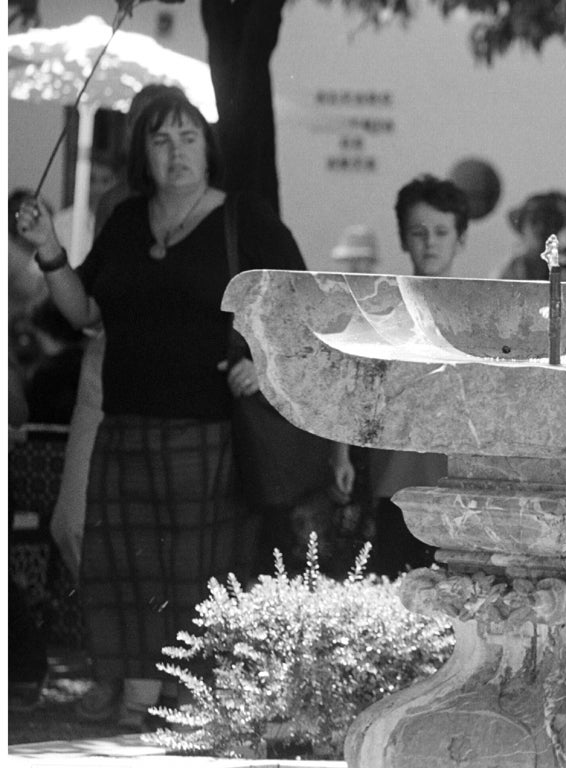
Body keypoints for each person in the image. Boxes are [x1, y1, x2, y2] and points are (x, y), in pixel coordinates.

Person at [12, 90, 352, 729]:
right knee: (120, 566)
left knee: (192, 569)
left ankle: (169, 694)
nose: (177, 152)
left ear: (208, 145)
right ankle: (132, 690)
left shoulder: (243, 219)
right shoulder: (125, 220)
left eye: (188, 136)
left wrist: (264, 362)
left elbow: (303, 307)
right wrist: (49, 247)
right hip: (125, 423)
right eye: (161, 140)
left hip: (208, 431)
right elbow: (84, 311)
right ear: (143, 152)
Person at [52, 83, 182, 587]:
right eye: (146, 129)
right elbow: (92, 299)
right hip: (107, 358)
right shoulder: (117, 201)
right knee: (75, 523)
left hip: (159, 371)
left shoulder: (201, 205)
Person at [363, 174, 471, 577]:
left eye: (442, 231)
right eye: (419, 231)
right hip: (394, 480)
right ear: (403, 239)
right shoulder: (383, 308)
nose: (430, 242)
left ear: (461, 238)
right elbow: (362, 387)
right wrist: (340, 455)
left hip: (456, 482)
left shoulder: (479, 315)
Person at [499, 191, 566, 280]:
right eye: (534, 220)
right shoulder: (512, 272)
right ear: (523, 227)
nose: (541, 228)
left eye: (549, 221)